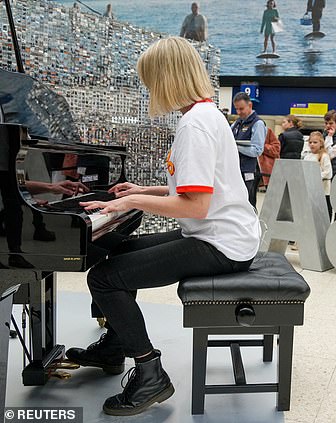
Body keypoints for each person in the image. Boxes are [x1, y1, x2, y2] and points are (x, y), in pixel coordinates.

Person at [65, 37, 260, 416]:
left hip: (220, 244)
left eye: (151, 80)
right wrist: (142, 190)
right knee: (120, 252)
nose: (150, 89)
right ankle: (115, 345)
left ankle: (150, 372)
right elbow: (196, 189)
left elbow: (196, 205)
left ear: (167, 77)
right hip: (221, 233)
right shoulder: (206, 114)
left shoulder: (196, 125)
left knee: (104, 278)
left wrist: (127, 201)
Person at [231, 92, 265, 209]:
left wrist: (236, 148)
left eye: (241, 109)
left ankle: (253, 227)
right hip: (235, 171)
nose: (239, 112)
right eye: (236, 109)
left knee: (247, 205)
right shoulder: (236, 123)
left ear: (250, 105)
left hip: (248, 171)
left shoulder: (258, 124)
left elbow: (257, 150)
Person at [303, 131, 333, 219]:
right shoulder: (307, 157)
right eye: (310, 142)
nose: (312, 144)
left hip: (324, 191)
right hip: (310, 190)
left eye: (315, 142)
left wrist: (314, 177)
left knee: (324, 215)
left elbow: (328, 173)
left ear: (321, 143)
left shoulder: (324, 156)